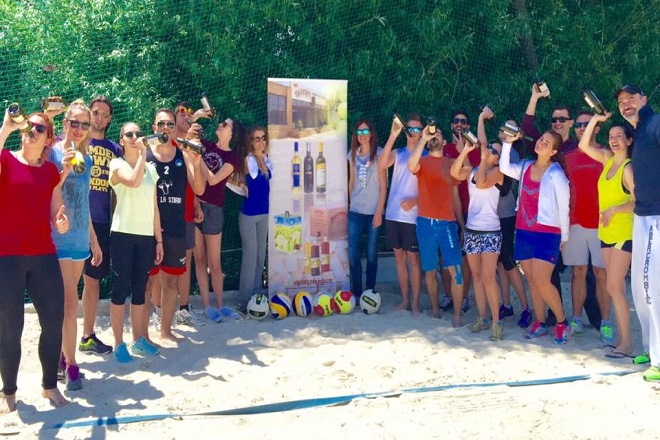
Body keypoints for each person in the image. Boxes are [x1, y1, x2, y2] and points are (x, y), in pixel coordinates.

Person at [0, 110, 70, 410]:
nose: (32, 130)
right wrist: (4, 127)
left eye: (39, 128)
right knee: (10, 327)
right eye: (29, 125)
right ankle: (9, 392)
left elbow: (57, 212)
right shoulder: (5, 160)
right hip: (7, 257)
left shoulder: (51, 172)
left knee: (54, 321)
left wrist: (62, 221)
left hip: (43, 255)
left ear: (48, 139)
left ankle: (49, 386)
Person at [522, 84, 600, 328]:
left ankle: (594, 319)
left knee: (586, 273)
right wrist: (534, 97)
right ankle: (554, 318)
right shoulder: (548, 146)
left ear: (570, 123)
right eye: (554, 119)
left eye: (563, 119)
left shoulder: (579, 148)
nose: (557, 122)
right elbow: (527, 129)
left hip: (579, 218)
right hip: (551, 223)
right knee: (550, 274)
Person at [47, 100, 102, 391]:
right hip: (57, 237)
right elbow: (46, 189)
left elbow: (86, 203)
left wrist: (94, 240)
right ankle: (72, 365)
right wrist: (65, 169)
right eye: (75, 123)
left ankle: (60, 356)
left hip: (80, 237)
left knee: (68, 302)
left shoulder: (88, 159)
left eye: (85, 124)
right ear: (65, 123)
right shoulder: (52, 152)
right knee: (69, 302)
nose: (79, 129)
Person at [500, 129, 571, 345]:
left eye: (547, 143)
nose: (541, 143)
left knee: (542, 280)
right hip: (523, 231)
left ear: (554, 151)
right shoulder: (524, 166)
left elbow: (564, 206)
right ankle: (540, 322)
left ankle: (561, 322)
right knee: (531, 280)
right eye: (541, 139)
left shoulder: (556, 174)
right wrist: (507, 144)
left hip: (548, 233)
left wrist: (564, 237)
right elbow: (504, 167)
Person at [577, 111, 635, 358]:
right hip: (606, 233)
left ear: (629, 141)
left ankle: (627, 344)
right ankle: (623, 340)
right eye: (611, 136)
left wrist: (614, 209)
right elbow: (582, 145)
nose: (614, 140)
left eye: (619, 136)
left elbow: (639, 201)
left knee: (613, 286)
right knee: (614, 288)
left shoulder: (628, 168)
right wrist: (595, 120)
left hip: (624, 233)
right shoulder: (608, 160)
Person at [145, 109, 205, 344]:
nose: (166, 127)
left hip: (176, 228)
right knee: (148, 282)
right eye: (161, 123)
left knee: (171, 282)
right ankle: (143, 332)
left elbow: (199, 188)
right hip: (148, 229)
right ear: (154, 127)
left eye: (170, 124)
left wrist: (197, 162)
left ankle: (165, 331)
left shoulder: (184, 154)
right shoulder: (145, 153)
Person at [615, 84, 660, 381]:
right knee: (640, 289)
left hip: (657, 215)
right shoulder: (638, 133)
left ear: (644, 99)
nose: (627, 104)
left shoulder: (655, 124)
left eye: (632, 98)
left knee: (653, 287)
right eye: (622, 101)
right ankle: (649, 347)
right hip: (641, 214)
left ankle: (659, 359)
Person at [108, 122, 163, 362]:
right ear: (121, 140)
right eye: (129, 134)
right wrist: (142, 153)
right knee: (120, 290)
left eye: (138, 134)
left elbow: (154, 205)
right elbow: (132, 181)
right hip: (122, 234)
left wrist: (159, 240)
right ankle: (119, 343)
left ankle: (138, 340)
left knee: (140, 290)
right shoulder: (116, 164)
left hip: (146, 236)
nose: (134, 137)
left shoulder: (151, 169)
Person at [477, 109, 531, 328]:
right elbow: (482, 146)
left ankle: (526, 308)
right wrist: (481, 119)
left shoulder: (513, 156)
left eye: (511, 128)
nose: (506, 131)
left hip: (506, 216)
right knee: (500, 263)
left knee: (509, 263)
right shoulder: (495, 150)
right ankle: (507, 305)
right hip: (492, 218)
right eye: (504, 127)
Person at [79, 95, 122, 356]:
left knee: (92, 281)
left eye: (105, 114)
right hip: (75, 221)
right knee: (66, 284)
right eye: (95, 112)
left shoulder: (115, 149)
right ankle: (59, 345)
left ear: (109, 119)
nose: (99, 118)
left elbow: (116, 190)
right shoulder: (76, 143)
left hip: (102, 221)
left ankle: (87, 336)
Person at [408, 127, 464, 324]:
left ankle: (457, 315)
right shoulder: (422, 161)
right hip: (425, 223)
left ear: (444, 140)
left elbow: (464, 176)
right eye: (432, 134)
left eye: (437, 133)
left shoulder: (451, 163)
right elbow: (411, 166)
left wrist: (462, 150)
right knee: (430, 271)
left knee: (455, 270)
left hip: (447, 224)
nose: (434, 136)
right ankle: (434, 311)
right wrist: (422, 139)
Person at [451, 137, 505, 339]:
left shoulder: (499, 173)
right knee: (476, 276)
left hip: (491, 231)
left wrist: (482, 159)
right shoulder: (473, 170)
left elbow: (481, 183)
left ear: (499, 159)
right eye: (490, 146)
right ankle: (483, 318)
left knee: (489, 277)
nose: (490, 150)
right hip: (472, 230)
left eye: (495, 151)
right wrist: (464, 152)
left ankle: (496, 321)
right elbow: (455, 173)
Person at [563, 111, 608, 339]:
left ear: (596, 127)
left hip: (602, 224)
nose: (582, 127)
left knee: (601, 274)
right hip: (576, 223)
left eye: (587, 123)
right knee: (578, 272)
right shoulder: (569, 157)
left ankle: (606, 323)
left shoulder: (605, 154)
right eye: (579, 124)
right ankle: (577, 319)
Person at [192, 118, 241, 321]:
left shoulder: (232, 158)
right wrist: (196, 117)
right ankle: (206, 306)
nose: (220, 125)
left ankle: (220, 306)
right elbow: (189, 136)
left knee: (215, 262)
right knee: (199, 259)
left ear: (232, 133)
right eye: (221, 123)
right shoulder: (207, 145)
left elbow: (213, 179)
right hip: (196, 204)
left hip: (213, 209)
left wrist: (199, 158)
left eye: (225, 125)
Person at [378, 113, 424, 315]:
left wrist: (415, 201)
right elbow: (381, 164)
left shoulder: (425, 156)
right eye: (410, 129)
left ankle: (415, 302)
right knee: (399, 257)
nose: (413, 133)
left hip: (413, 216)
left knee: (414, 259)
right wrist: (393, 134)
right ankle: (405, 300)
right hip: (393, 214)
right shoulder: (399, 153)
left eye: (417, 129)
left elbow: (433, 190)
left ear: (423, 132)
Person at [439, 110, 478, 314]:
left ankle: (463, 298)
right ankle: (448, 295)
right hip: (445, 210)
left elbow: (473, 175)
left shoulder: (476, 149)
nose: (460, 124)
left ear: (469, 126)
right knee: (444, 259)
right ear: (451, 125)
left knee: (466, 258)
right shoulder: (443, 149)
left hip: (471, 209)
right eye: (456, 121)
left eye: (464, 121)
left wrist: (464, 150)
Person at [233, 126, 273, 309]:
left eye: (263, 138)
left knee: (260, 257)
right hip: (248, 215)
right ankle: (243, 300)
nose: (261, 141)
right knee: (250, 258)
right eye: (256, 138)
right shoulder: (247, 160)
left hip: (264, 214)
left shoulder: (266, 159)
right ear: (250, 141)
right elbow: (227, 177)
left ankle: (256, 297)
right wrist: (240, 184)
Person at [347, 119, 386, 299]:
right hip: (355, 211)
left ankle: (370, 291)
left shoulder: (379, 154)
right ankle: (356, 291)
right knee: (353, 254)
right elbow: (352, 181)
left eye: (365, 132)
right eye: (359, 132)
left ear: (371, 134)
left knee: (371, 254)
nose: (362, 136)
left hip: (373, 212)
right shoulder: (352, 154)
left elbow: (384, 187)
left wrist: (379, 211)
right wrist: (349, 204)